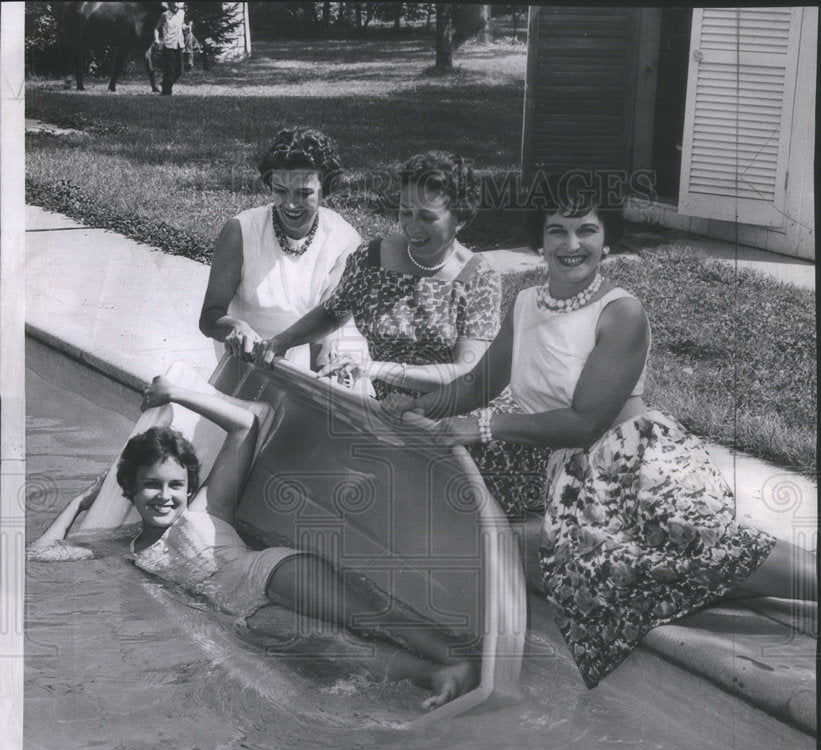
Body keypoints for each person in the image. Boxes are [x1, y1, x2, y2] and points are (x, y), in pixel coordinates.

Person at [386, 186, 815, 688]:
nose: (573, 243)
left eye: (587, 229)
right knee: (608, 571)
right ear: (539, 242)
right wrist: (418, 406)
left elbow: (586, 420)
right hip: (577, 479)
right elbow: (478, 384)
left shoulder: (621, 311)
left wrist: (485, 426)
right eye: (557, 230)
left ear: (607, 240)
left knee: (698, 542)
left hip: (640, 462)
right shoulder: (525, 303)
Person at [28, 376, 476, 710]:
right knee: (342, 647)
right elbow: (42, 554)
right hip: (245, 615)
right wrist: (81, 501)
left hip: (267, 572)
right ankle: (439, 674)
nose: (164, 496)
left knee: (362, 615)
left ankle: (454, 655)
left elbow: (246, 423)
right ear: (129, 488)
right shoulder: (127, 548)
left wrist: (177, 394)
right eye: (151, 486)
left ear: (188, 486)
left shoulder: (207, 506)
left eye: (174, 485)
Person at [255, 150, 548, 516]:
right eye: (405, 212)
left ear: (460, 219)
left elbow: (468, 374)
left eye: (427, 217)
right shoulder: (371, 258)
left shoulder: (478, 277)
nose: (411, 226)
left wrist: (376, 369)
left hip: (464, 415)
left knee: (453, 521)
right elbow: (331, 314)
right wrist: (280, 342)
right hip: (398, 414)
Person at [199, 126, 362, 372]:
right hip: (242, 366)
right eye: (280, 191)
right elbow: (209, 317)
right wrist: (234, 326)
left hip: (298, 370)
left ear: (324, 191)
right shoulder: (240, 230)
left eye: (304, 193)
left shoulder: (345, 241)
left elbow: (326, 327)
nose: (290, 204)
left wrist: (320, 382)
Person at [155, 1, 186, 96]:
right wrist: (157, 39)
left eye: (178, 4)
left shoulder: (182, 13)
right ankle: (166, 93)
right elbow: (157, 28)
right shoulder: (164, 15)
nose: (176, 6)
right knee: (170, 70)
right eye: (173, 3)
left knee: (180, 70)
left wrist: (186, 27)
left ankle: (165, 84)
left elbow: (182, 24)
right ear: (170, 4)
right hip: (169, 45)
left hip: (179, 44)